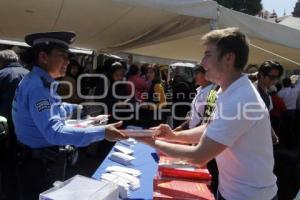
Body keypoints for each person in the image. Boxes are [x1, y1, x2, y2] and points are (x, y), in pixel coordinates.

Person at [135, 27, 278, 200]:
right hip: (232, 192)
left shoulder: (242, 99)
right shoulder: (227, 91)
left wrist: (153, 142)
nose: (202, 62)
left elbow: (199, 156)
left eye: (208, 54)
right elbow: (209, 129)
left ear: (228, 58)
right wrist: (173, 135)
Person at [12, 31, 127, 200]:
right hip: (39, 166)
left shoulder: (38, 80)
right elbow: (55, 132)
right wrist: (103, 132)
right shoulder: (39, 87)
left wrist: (81, 111)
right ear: (43, 57)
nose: (68, 62)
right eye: (62, 56)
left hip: (35, 160)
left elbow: (57, 107)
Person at [0, 49, 29, 200]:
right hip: (27, 128)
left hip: (5, 128)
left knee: (7, 162)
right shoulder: (30, 75)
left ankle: (9, 193)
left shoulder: (2, 75)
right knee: (24, 161)